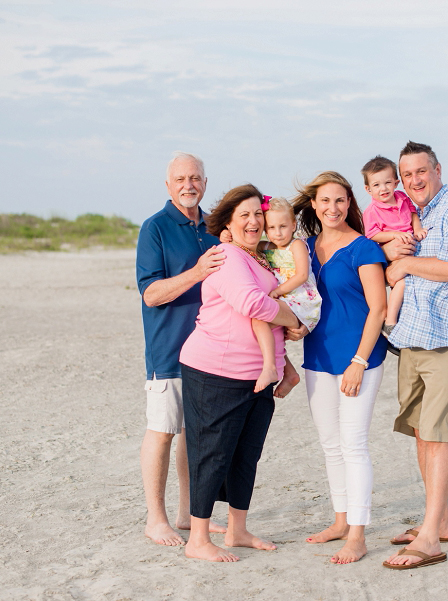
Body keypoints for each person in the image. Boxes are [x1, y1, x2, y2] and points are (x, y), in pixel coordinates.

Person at [179, 184, 302, 562]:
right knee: (212, 453)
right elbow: (252, 304)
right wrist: (295, 318)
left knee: (245, 455)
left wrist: (285, 366)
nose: (254, 221)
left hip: (257, 377)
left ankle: (238, 529)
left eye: (257, 214)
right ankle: (198, 539)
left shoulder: (259, 258)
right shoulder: (228, 256)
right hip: (215, 371)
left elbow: (266, 312)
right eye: (244, 214)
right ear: (228, 224)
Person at [382, 141, 448, 570]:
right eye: (406, 175)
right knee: (422, 431)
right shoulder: (421, 215)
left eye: (420, 172)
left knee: (438, 433)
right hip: (416, 335)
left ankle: (429, 539)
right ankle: (439, 520)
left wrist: (406, 266)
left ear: (438, 169)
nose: (414, 181)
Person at [293, 171, 388, 564]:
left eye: (340, 200)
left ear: (350, 204)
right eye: (325, 201)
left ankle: (358, 535)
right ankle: (339, 521)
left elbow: (378, 308)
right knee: (331, 445)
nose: (333, 208)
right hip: (317, 357)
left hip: (359, 359)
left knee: (354, 445)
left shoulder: (363, 248)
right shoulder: (304, 249)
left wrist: (359, 362)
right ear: (314, 204)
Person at [136, 152, 228, 546]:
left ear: (205, 182)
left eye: (195, 178)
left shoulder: (214, 228)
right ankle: (155, 520)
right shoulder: (154, 228)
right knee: (162, 432)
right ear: (168, 185)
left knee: (195, 436)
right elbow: (152, 294)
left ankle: (189, 514)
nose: (189, 185)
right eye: (181, 179)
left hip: (208, 353)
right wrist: (197, 272)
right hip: (168, 351)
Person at [250, 196, 322, 393]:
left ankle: (271, 368)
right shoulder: (267, 247)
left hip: (300, 299)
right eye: (271, 228)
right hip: (286, 300)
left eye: (283, 226)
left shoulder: (296, 245)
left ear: (293, 225)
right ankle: (290, 373)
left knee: (260, 322)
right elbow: (244, 246)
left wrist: (278, 291)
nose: (278, 233)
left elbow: (301, 275)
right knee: (266, 330)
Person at [360, 155, 426, 332]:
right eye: (376, 185)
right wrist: (394, 235)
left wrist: (417, 228)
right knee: (402, 283)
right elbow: (372, 235)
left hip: (410, 248)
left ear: (396, 182)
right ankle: (390, 321)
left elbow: (412, 213)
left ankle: (408, 319)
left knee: (415, 283)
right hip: (393, 253)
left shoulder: (402, 197)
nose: (383, 188)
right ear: (368, 189)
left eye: (387, 182)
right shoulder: (371, 211)